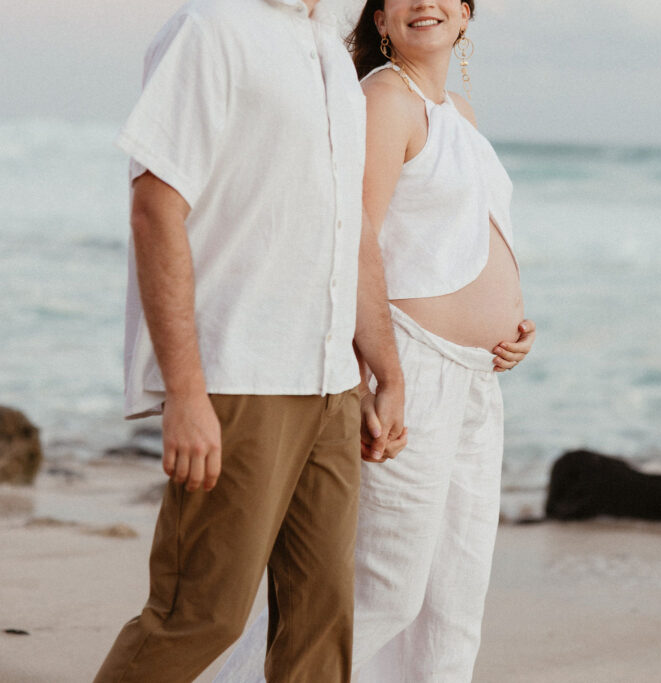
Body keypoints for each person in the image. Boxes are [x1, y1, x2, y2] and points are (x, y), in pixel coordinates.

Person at [215, 0, 535, 680]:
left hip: (475, 380)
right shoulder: (385, 100)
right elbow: (352, 237)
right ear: (381, 21)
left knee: (452, 607)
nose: (427, 3)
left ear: (468, 14)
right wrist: (378, 374)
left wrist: (512, 322)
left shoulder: (459, 116)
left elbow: (456, 241)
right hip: (411, 370)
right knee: (381, 590)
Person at [92, 0, 405, 680]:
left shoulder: (331, 54)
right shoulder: (211, 29)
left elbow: (349, 232)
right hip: (240, 374)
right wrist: (184, 391)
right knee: (197, 615)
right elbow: (155, 208)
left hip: (330, 382)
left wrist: (385, 371)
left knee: (320, 631)